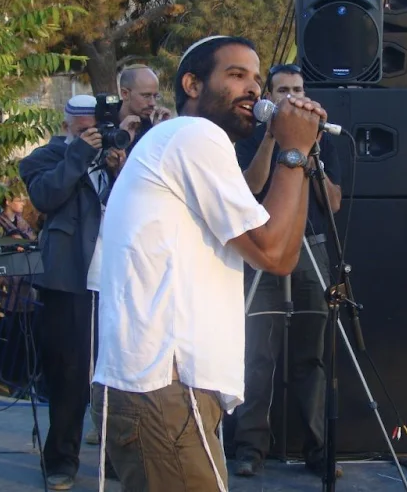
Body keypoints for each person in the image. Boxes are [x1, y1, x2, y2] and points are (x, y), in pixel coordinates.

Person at [90, 36, 327, 492]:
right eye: (236, 75)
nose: (253, 88)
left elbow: (283, 249)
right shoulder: (194, 136)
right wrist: (294, 150)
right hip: (166, 389)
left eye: (256, 78)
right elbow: (273, 253)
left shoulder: (181, 142)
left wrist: (296, 151)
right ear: (192, 85)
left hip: (167, 390)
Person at [232, 63, 342, 478]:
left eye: (298, 89)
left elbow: (333, 202)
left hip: (310, 248)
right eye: (283, 91)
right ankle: (249, 449)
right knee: (257, 354)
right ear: (268, 97)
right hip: (263, 249)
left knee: (310, 356)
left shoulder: (319, 137)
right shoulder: (248, 135)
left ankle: (318, 449)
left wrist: (308, 152)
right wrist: (273, 139)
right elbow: (250, 187)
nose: (293, 97)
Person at [19, 94, 127, 491]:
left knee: (119, 375)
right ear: (68, 126)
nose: (94, 136)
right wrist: (80, 154)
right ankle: (61, 460)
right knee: (68, 375)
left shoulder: (116, 154)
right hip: (69, 282)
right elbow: (45, 196)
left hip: (117, 280)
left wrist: (119, 169)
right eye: (85, 130)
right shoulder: (44, 158)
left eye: (97, 130)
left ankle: (119, 458)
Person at [117, 64, 172, 151]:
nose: (153, 103)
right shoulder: (101, 125)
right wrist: (121, 139)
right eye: (146, 96)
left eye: (156, 96)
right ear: (125, 94)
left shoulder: (151, 127)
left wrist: (159, 131)